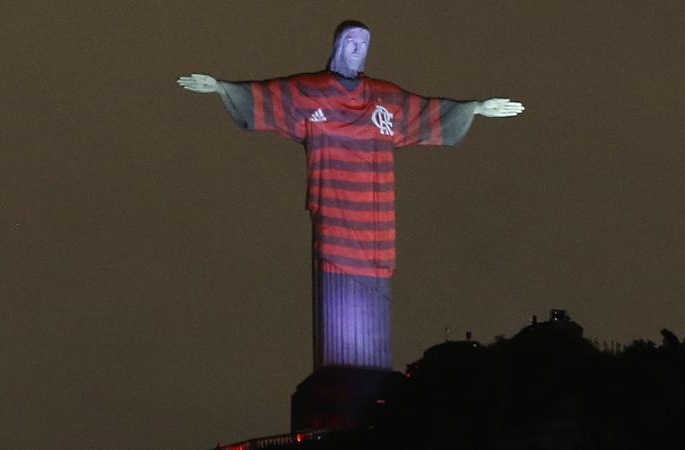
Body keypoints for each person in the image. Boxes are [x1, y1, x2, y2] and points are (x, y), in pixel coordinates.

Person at [177, 21, 524, 370]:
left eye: (366, 43)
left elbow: (425, 111)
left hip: (374, 217)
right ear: (338, 46)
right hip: (334, 214)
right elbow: (270, 96)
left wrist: (475, 108)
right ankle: (341, 373)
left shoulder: (384, 98)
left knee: (374, 294)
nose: (360, 50)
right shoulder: (312, 91)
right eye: (353, 42)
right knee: (337, 299)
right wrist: (222, 88)